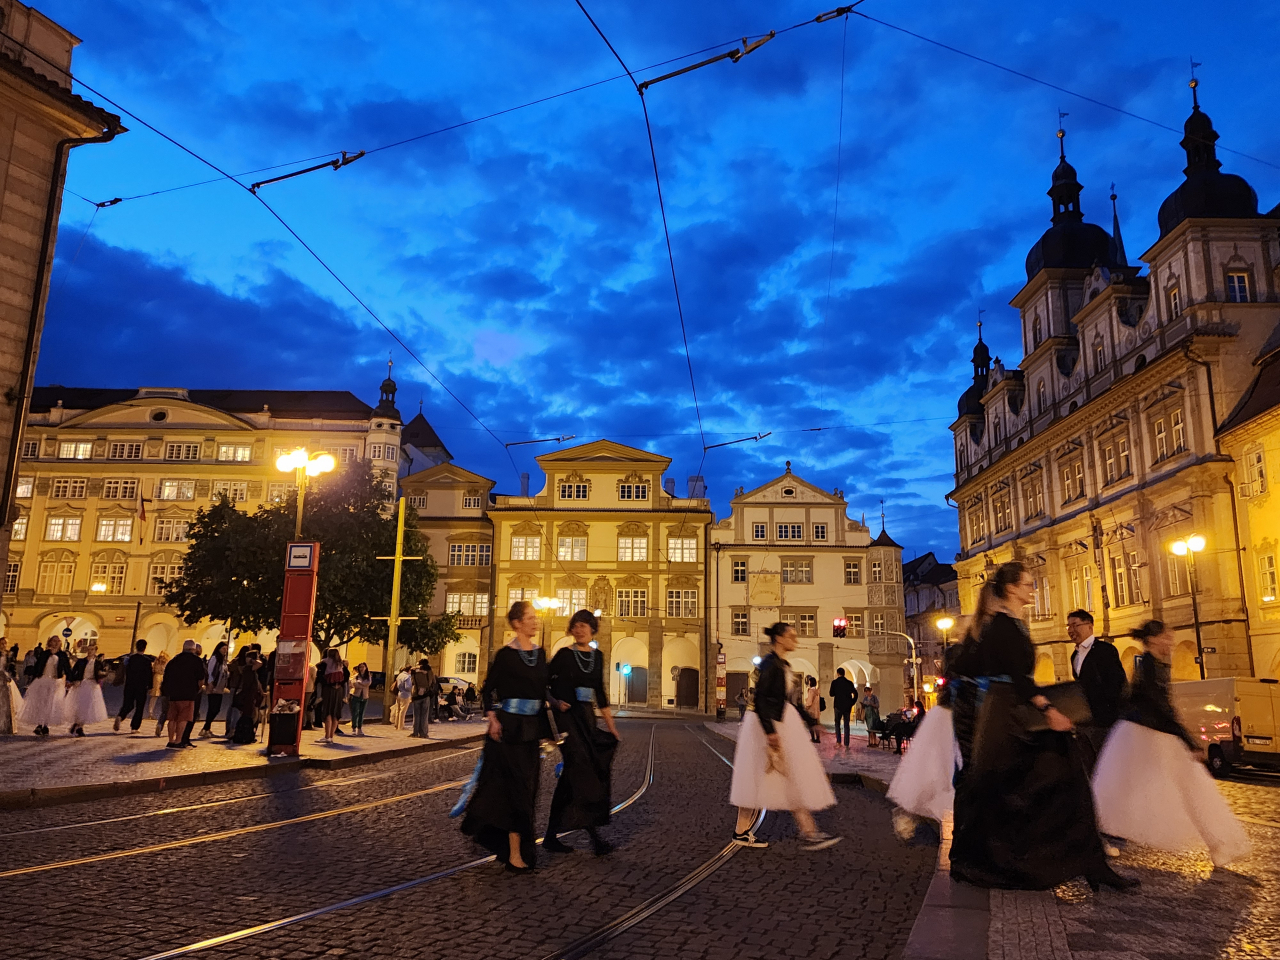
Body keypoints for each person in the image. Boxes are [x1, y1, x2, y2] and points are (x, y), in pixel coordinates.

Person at [948, 561, 1137, 892]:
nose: (1032, 590)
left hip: (1009, 711)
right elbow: (1018, 679)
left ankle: (1090, 862)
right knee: (1025, 789)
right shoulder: (1002, 626)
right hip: (1005, 716)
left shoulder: (1012, 624)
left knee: (1056, 783)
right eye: (1027, 585)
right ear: (1011, 589)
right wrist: (1048, 709)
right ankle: (1001, 863)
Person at [1092, 620, 1251, 868]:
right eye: (1167, 638)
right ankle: (1219, 844)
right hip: (1146, 735)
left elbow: (1150, 703)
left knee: (1172, 788)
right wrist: (1189, 740)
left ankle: (1219, 844)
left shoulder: (1154, 664)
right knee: (1167, 788)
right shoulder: (1150, 666)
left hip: (1149, 734)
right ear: (1154, 640)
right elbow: (1161, 707)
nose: (1171, 643)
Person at [729, 621, 840, 851]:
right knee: (768, 775)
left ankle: (807, 830)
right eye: (791, 636)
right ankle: (807, 832)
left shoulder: (781, 664)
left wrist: (812, 723)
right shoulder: (771, 664)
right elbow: (760, 699)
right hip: (768, 727)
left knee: (783, 775)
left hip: (779, 723)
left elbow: (787, 702)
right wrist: (770, 733)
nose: (795, 640)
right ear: (779, 639)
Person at [459, 600, 551, 873]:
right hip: (509, 731)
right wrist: (492, 717)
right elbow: (488, 691)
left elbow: (542, 691)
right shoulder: (505, 655)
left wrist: (556, 708)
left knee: (529, 791)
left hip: (531, 732)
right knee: (515, 793)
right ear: (517, 623)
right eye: (531, 618)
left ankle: (518, 849)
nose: (536, 622)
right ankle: (514, 853)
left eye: (536, 618)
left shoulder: (541, 653)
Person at [544, 610, 621, 856]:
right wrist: (556, 703)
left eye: (584, 626)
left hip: (587, 717)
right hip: (568, 718)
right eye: (576, 626)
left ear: (592, 629)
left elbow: (600, 692)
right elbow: (542, 683)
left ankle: (550, 835)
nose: (579, 630)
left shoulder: (597, 656)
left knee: (571, 778)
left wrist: (611, 728)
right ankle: (594, 837)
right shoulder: (564, 655)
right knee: (582, 772)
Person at [1066, 609, 1127, 775]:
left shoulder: (1105, 650)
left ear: (1089, 626)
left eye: (1075, 625)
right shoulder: (1075, 656)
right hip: (1085, 721)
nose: (1071, 630)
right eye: (1069, 626)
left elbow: (1117, 683)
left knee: (1107, 765)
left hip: (1105, 720)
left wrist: (1112, 712)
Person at [17, 636, 70, 736]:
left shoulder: (62, 655)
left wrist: (70, 679)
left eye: (57, 641)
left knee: (50, 704)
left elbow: (67, 668)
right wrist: (32, 678)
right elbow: (38, 666)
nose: (55, 643)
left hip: (54, 681)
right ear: (50, 642)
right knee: (40, 703)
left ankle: (45, 725)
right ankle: (39, 725)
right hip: (42, 680)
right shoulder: (44, 653)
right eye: (53, 641)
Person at [161, 640, 206, 749]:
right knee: (183, 718)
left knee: (172, 718)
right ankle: (178, 741)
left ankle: (170, 740)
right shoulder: (197, 661)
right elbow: (201, 679)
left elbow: (166, 677)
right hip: (188, 694)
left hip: (173, 694)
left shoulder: (174, 660)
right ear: (193, 649)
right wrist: (197, 689)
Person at [64, 640, 109, 736]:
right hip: (82, 684)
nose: (90, 651)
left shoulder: (98, 662)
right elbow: (73, 671)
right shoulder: (81, 661)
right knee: (80, 706)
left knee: (88, 707)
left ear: (95, 650)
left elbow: (103, 673)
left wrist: (102, 674)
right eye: (89, 649)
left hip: (92, 685)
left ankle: (79, 726)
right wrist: (71, 681)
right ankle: (78, 725)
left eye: (92, 649)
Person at [198, 642, 231, 739]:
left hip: (220, 687)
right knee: (213, 707)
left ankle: (206, 728)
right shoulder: (215, 658)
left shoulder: (223, 660)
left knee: (216, 708)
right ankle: (205, 728)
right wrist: (210, 682)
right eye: (223, 649)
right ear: (219, 649)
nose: (225, 651)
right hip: (214, 685)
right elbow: (210, 671)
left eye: (226, 649)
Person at [315, 648, 348, 743]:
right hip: (339, 691)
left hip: (328, 689)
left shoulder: (324, 663)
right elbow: (346, 677)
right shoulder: (341, 664)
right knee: (336, 713)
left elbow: (320, 678)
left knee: (327, 712)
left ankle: (326, 736)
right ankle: (331, 736)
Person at [230, 652, 263, 744]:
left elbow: (257, 681)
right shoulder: (248, 668)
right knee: (249, 715)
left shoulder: (250, 670)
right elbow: (260, 663)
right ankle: (246, 734)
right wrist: (251, 660)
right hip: (248, 695)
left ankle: (248, 733)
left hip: (251, 695)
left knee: (252, 715)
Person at [828, 668, 856, 746]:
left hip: (838, 706)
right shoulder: (849, 683)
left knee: (837, 724)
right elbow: (855, 693)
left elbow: (831, 694)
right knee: (846, 724)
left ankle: (838, 742)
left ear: (838, 673)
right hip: (847, 706)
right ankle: (846, 743)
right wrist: (852, 702)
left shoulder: (835, 682)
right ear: (844, 673)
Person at [409, 659, 437, 739]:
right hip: (426, 694)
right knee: (424, 715)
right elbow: (433, 682)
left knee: (416, 715)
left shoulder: (414, 671)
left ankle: (415, 732)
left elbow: (412, 681)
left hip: (416, 694)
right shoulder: (430, 671)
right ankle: (423, 733)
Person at [150, 650, 170, 737]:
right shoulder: (167, 663)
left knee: (154, 696)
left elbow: (153, 669)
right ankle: (176, 730)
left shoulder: (156, 662)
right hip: (162, 679)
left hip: (156, 677)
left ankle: (152, 714)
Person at [349, 663, 372, 735]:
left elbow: (368, 683)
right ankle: (354, 728)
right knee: (355, 712)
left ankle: (359, 728)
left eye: (363, 667)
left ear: (366, 668)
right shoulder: (356, 676)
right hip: (356, 695)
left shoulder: (368, 676)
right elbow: (354, 684)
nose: (362, 668)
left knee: (361, 713)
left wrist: (360, 683)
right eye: (360, 667)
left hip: (365, 696)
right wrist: (362, 684)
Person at [391, 664, 413, 730]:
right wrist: (412, 688)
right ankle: (401, 726)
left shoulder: (399, 675)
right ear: (409, 670)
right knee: (403, 711)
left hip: (399, 694)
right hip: (406, 695)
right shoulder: (407, 677)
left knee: (398, 710)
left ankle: (396, 724)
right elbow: (408, 687)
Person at [803, 676, 821, 743]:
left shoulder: (811, 691)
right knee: (816, 725)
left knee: (811, 725)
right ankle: (818, 738)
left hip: (811, 711)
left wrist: (806, 707)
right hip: (816, 710)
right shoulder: (817, 691)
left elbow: (809, 702)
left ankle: (813, 738)